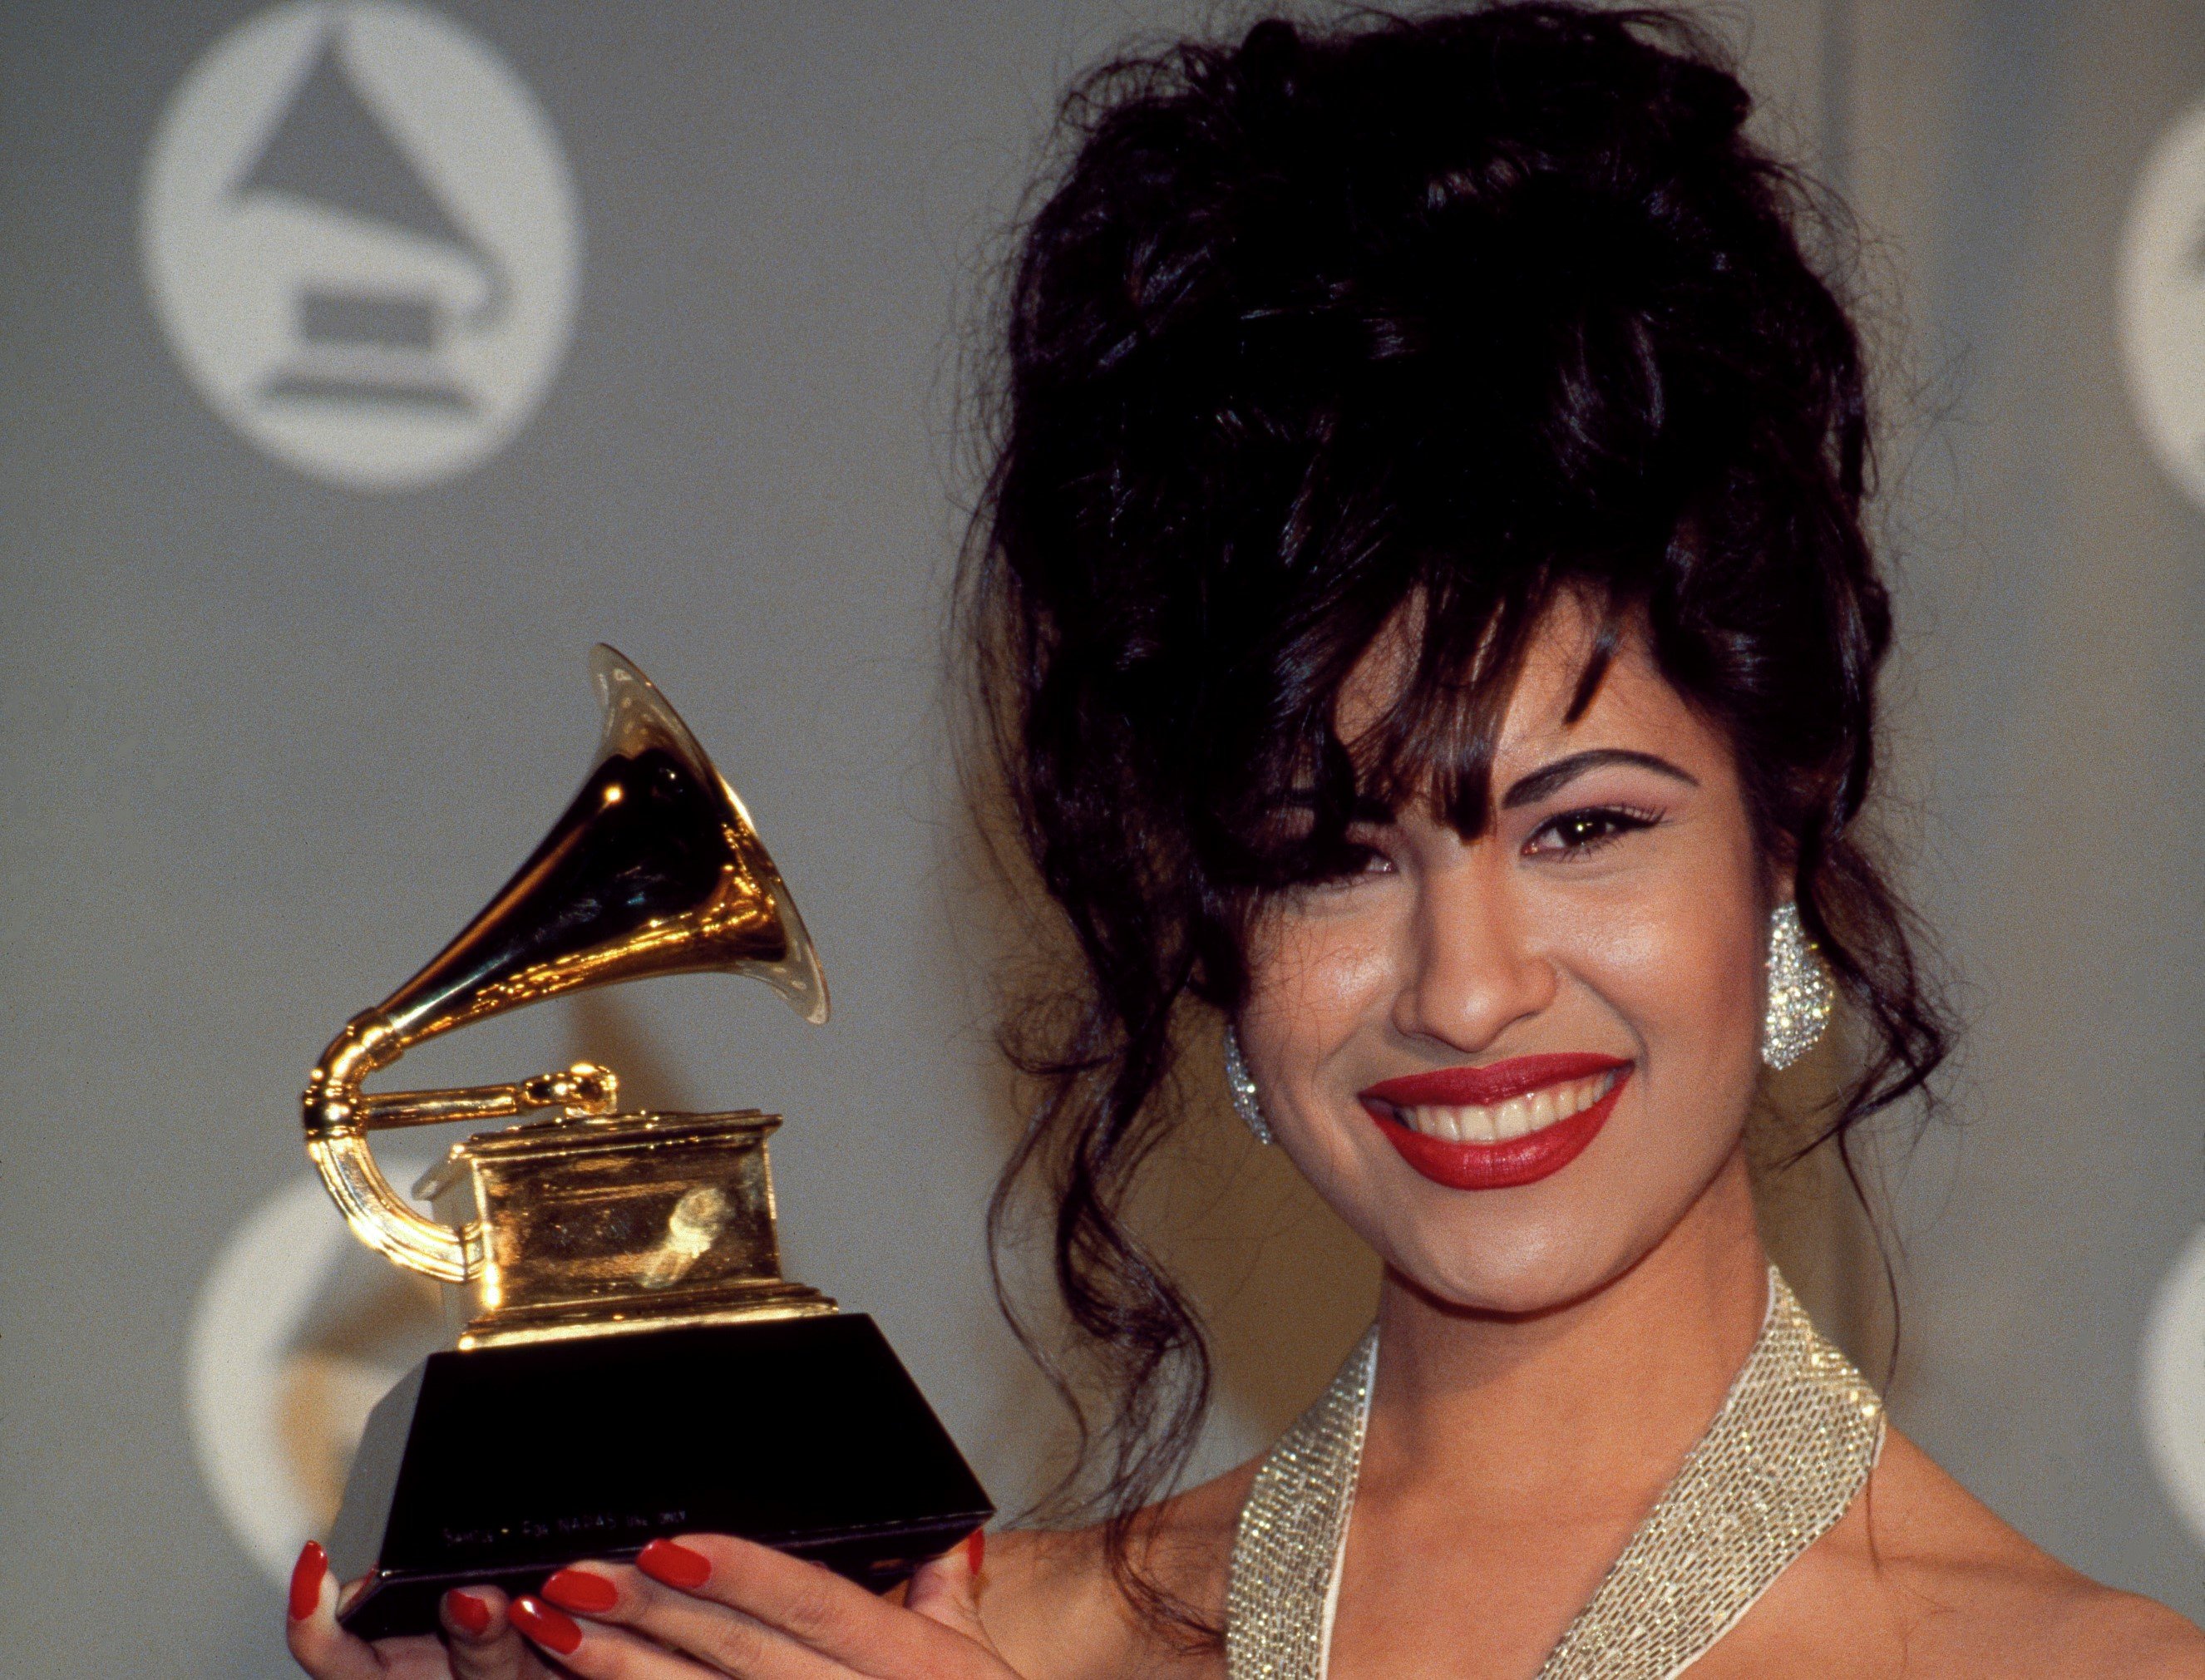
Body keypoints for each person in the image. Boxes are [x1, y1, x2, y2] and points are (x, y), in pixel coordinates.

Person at [287, 7, 2205, 1678]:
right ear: (1203, 914)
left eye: (1588, 826)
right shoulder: (978, 1648)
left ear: (1784, 828)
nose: (1469, 990)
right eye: (1328, 856)